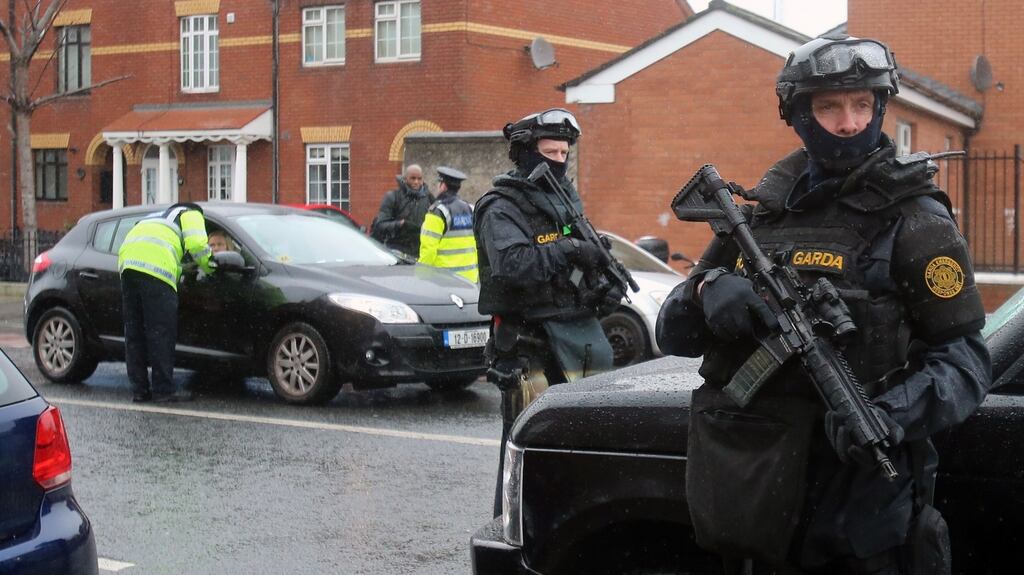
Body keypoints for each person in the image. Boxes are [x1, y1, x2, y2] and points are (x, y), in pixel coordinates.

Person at [656, 36, 992, 574]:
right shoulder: (762, 214)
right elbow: (671, 334)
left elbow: (965, 362)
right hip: (759, 501)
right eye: (829, 106)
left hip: (862, 516)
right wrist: (705, 291)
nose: (849, 123)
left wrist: (891, 415)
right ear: (799, 114)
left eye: (863, 104)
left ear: (880, 107)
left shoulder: (915, 219)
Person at [474, 108, 623, 516]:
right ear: (526, 153)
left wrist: (599, 282)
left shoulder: (562, 200)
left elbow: (573, 249)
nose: (558, 160)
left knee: (582, 447)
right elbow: (513, 264)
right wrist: (571, 249)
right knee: (530, 451)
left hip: (575, 341)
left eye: (563, 152)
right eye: (549, 151)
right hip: (528, 346)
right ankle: (513, 535)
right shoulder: (502, 206)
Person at [118, 202, 214, 403]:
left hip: (128, 266)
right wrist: (211, 266)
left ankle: (139, 390)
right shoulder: (192, 213)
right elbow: (197, 245)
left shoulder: (156, 217)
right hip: (156, 271)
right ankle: (163, 390)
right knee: (160, 332)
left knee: (134, 333)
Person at [418, 166, 479, 282]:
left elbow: (428, 250)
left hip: (444, 280)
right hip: (469, 279)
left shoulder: (437, 212)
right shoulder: (470, 209)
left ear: (443, 186)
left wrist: (421, 276)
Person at [371, 164, 432, 257]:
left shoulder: (428, 198)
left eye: (419, 179)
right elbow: (380, 225)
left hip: (419, 252)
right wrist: (401, 224)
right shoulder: (392, 197)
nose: (416, 182)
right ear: (405, 178)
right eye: (413, 178)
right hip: (397, 251)